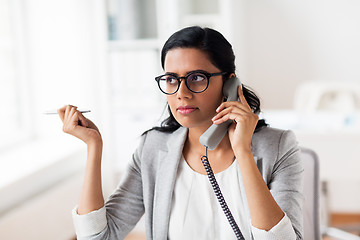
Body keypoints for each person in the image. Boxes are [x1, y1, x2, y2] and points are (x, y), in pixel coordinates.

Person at [58, 26, 303, 240]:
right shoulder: (152, 149)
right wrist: (94, 148)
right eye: (172, 79)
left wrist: (243, 153)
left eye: (197, 78)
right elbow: (99, 237)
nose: (181, 93)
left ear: (229, 84)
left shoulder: (279, 146)